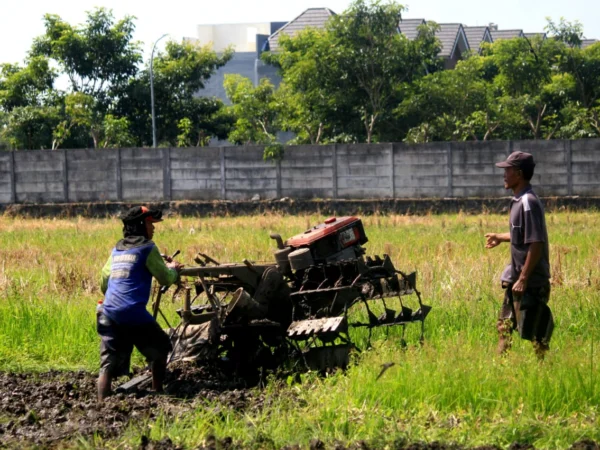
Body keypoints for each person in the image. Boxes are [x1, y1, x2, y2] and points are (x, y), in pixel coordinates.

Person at [97, 206, 183, 401]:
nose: (153, 229)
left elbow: (104, 280)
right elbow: (165, 278)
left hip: (108, 311)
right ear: (140, 226)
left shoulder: (117, 249)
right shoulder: (148, 248)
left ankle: (101, 404)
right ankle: (158, 391)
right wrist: (174, 269)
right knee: (161, 348)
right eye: (150, 224)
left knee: (107, 364)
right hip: (133, 311)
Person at [484, 151, 553, 359]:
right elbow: (521, 235)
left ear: (519, 174)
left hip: (530, 282)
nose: (504, 175)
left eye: (508, 170)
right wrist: (500, 237)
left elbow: (536, 243)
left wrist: (524, 278)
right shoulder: (518, 201)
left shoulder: (528, 203)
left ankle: (544, 372)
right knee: (504, 326)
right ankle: (500, 370)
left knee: (536, 335)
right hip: (516, 279)